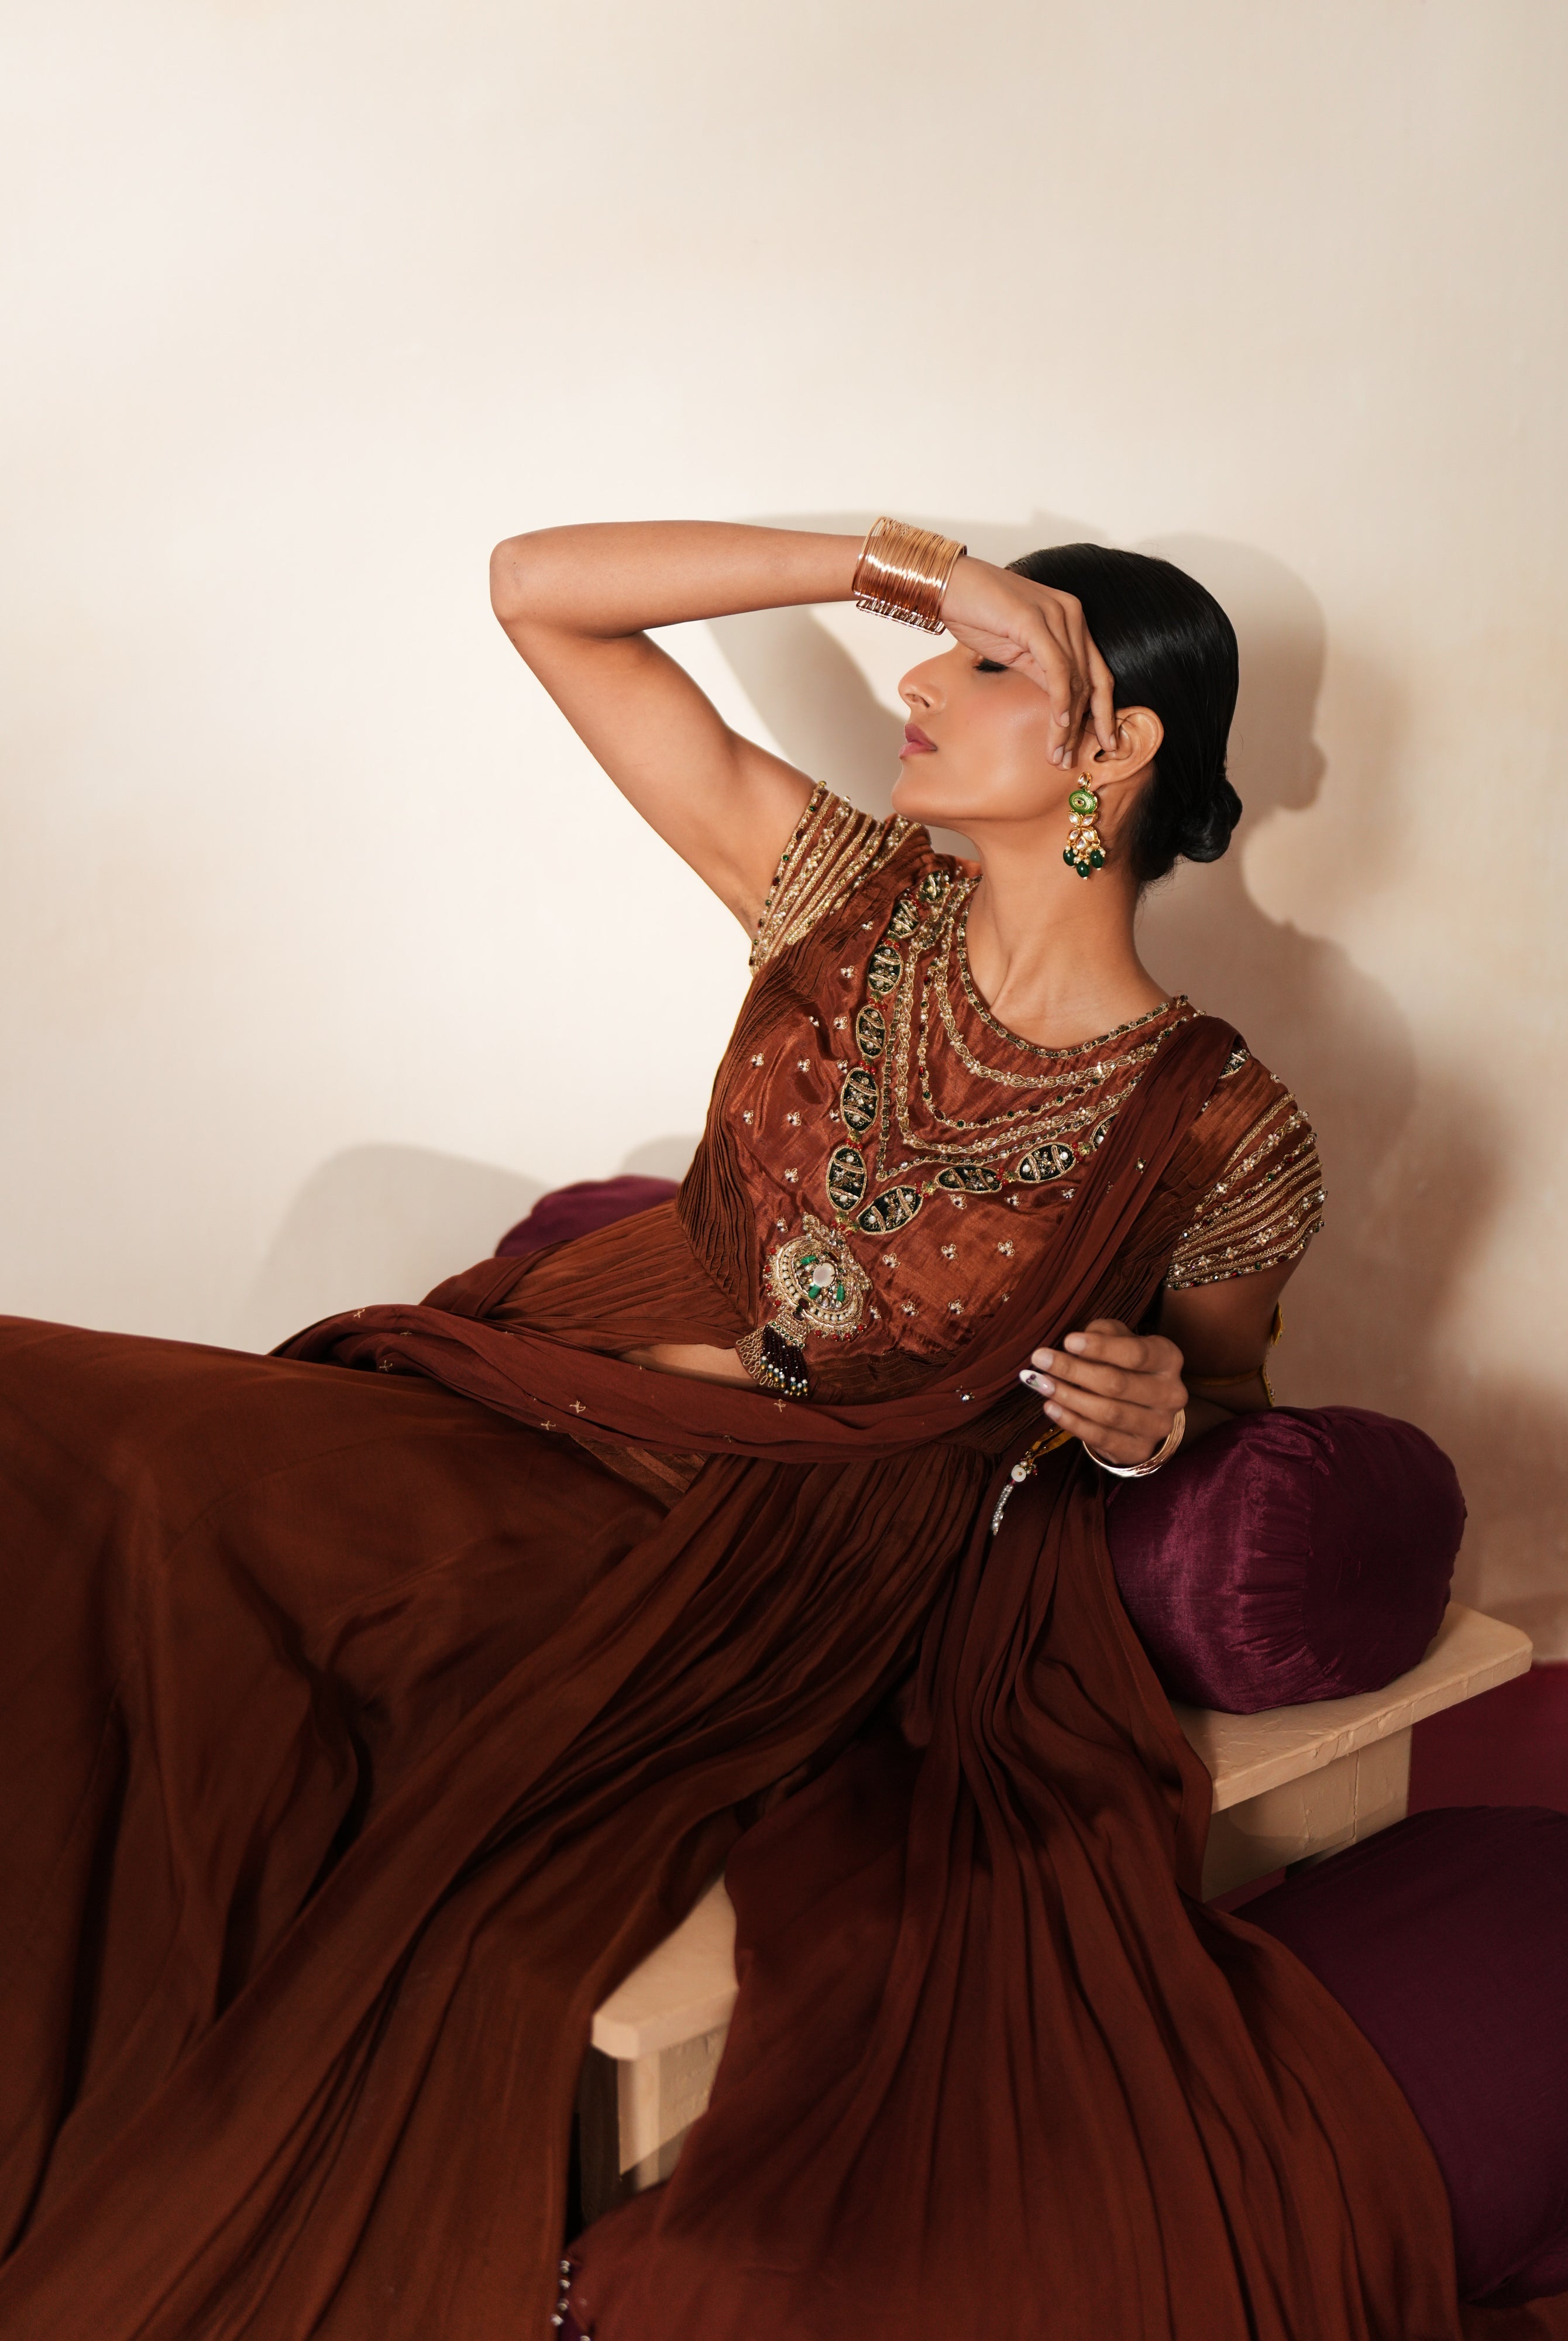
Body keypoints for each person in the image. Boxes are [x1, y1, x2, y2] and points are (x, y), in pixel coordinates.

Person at [0, 520, 1457, 2340]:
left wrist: (1156, 1424)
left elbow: (1220, 1394)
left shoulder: (1222, 1125)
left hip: (775, 1557)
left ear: (1120, 746)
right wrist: (906, 570)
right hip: (534, 1404)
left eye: (989, 668)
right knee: (70, 1451)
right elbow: (537, 590)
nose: (921, 684)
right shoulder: (833, 889)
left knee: (291, 1685)